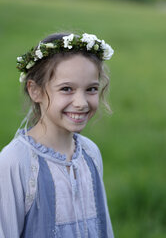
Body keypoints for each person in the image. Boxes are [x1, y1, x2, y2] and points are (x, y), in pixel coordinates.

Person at [0, 32, 114, 238]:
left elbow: (104, 228)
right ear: (35, 91)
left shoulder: (90, 153)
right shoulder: (16, 162)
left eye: (91, 89)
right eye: (67, 89)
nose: (81, 102)